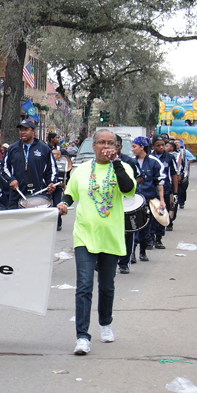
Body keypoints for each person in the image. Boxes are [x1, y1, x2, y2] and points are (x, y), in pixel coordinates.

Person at [57, 130, 136, 355]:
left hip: (110, 235)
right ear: (93, 146)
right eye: (101, 142)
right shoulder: (82, 170)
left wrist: (117, 163)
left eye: (111, 143)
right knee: (84, 285)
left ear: (117, 147)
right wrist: (63, 204)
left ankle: (106, 323)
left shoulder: (124, 167)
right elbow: (70, 194)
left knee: (107, 286)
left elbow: (128, 189)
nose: (106, 146)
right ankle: (82, 336)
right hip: (84, 234)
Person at [2, 118, 56, 206]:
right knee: (16, 219)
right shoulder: (12, 149)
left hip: (39, 195)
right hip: (17, 195)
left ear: (33, 131)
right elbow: (4, 168)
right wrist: (11, 179)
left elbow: (52, 169)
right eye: (21, 130)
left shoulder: (44, 148)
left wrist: (51, 183)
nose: (23, 132)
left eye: (26, 130)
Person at [131, 136, 165, 262]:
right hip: (133, 199)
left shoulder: (154, 162)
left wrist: (162, 200)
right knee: (133, 226)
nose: (132, 149)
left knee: (146, 226)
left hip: (148, 199)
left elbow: (159, 182)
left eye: (135, 146)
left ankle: (143, 250)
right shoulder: (131, 162)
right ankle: (132, 252)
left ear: (142, 147)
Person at [115, 135, 143, 274]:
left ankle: (124, 262)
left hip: (127, 201)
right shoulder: (99, 162)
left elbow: (140, 177)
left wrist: (128, 185)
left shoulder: (129, 162)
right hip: (108, 203)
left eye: (116, 145)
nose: (113, 148)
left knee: (127, 231)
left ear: (120, 146)